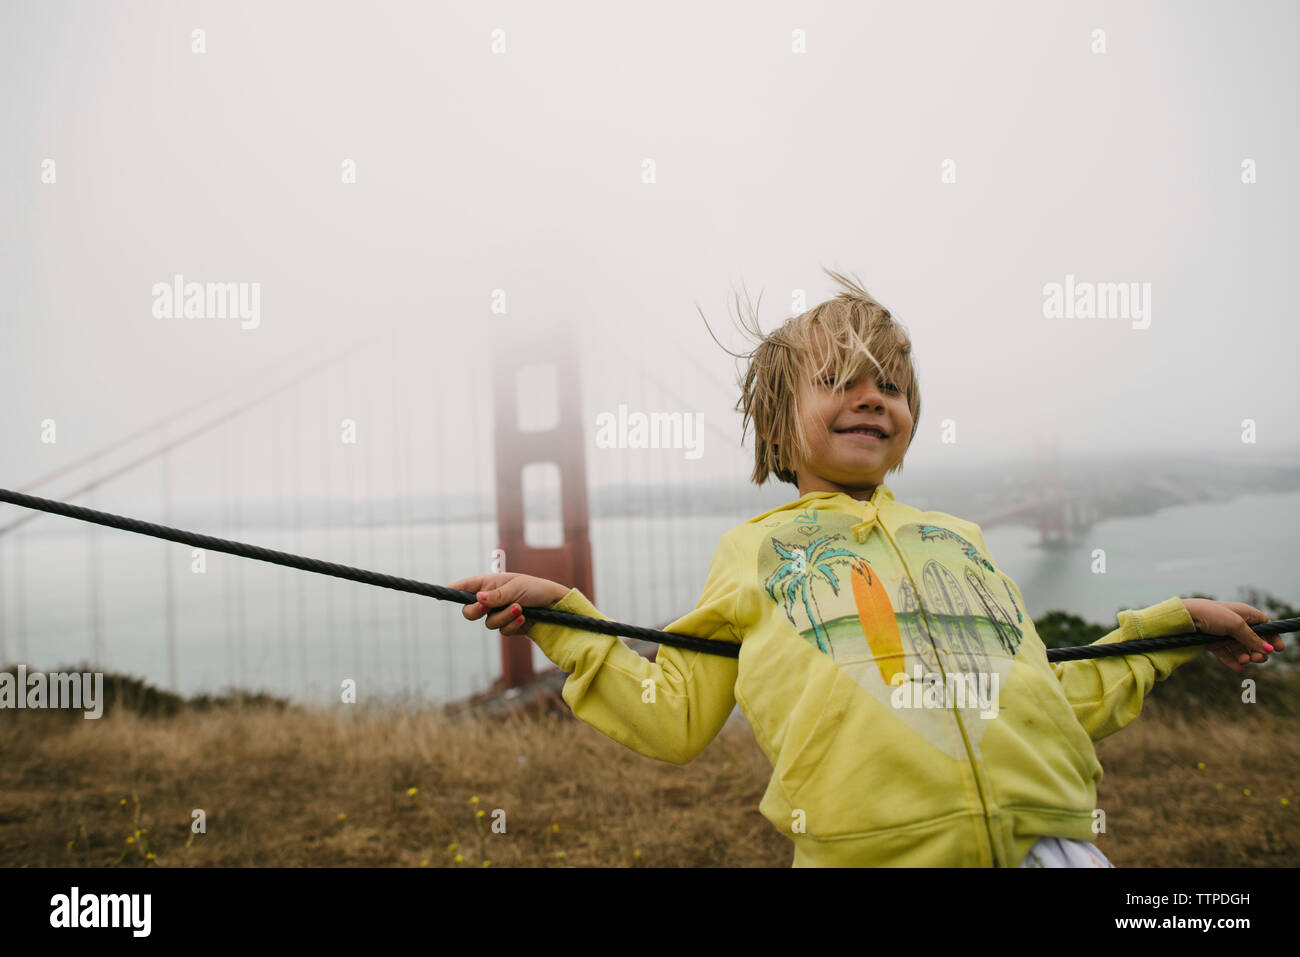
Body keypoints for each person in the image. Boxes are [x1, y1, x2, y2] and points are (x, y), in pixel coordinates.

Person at [450, 268, 1279, 867]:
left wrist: (1172, 629)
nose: (873, 394)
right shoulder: (754, 553)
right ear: (777, 423)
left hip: (1052, 847)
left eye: (892, 383)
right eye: (840, 379)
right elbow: (674, 718)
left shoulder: (960, 538)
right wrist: (566, 615)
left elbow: (1045, 697)